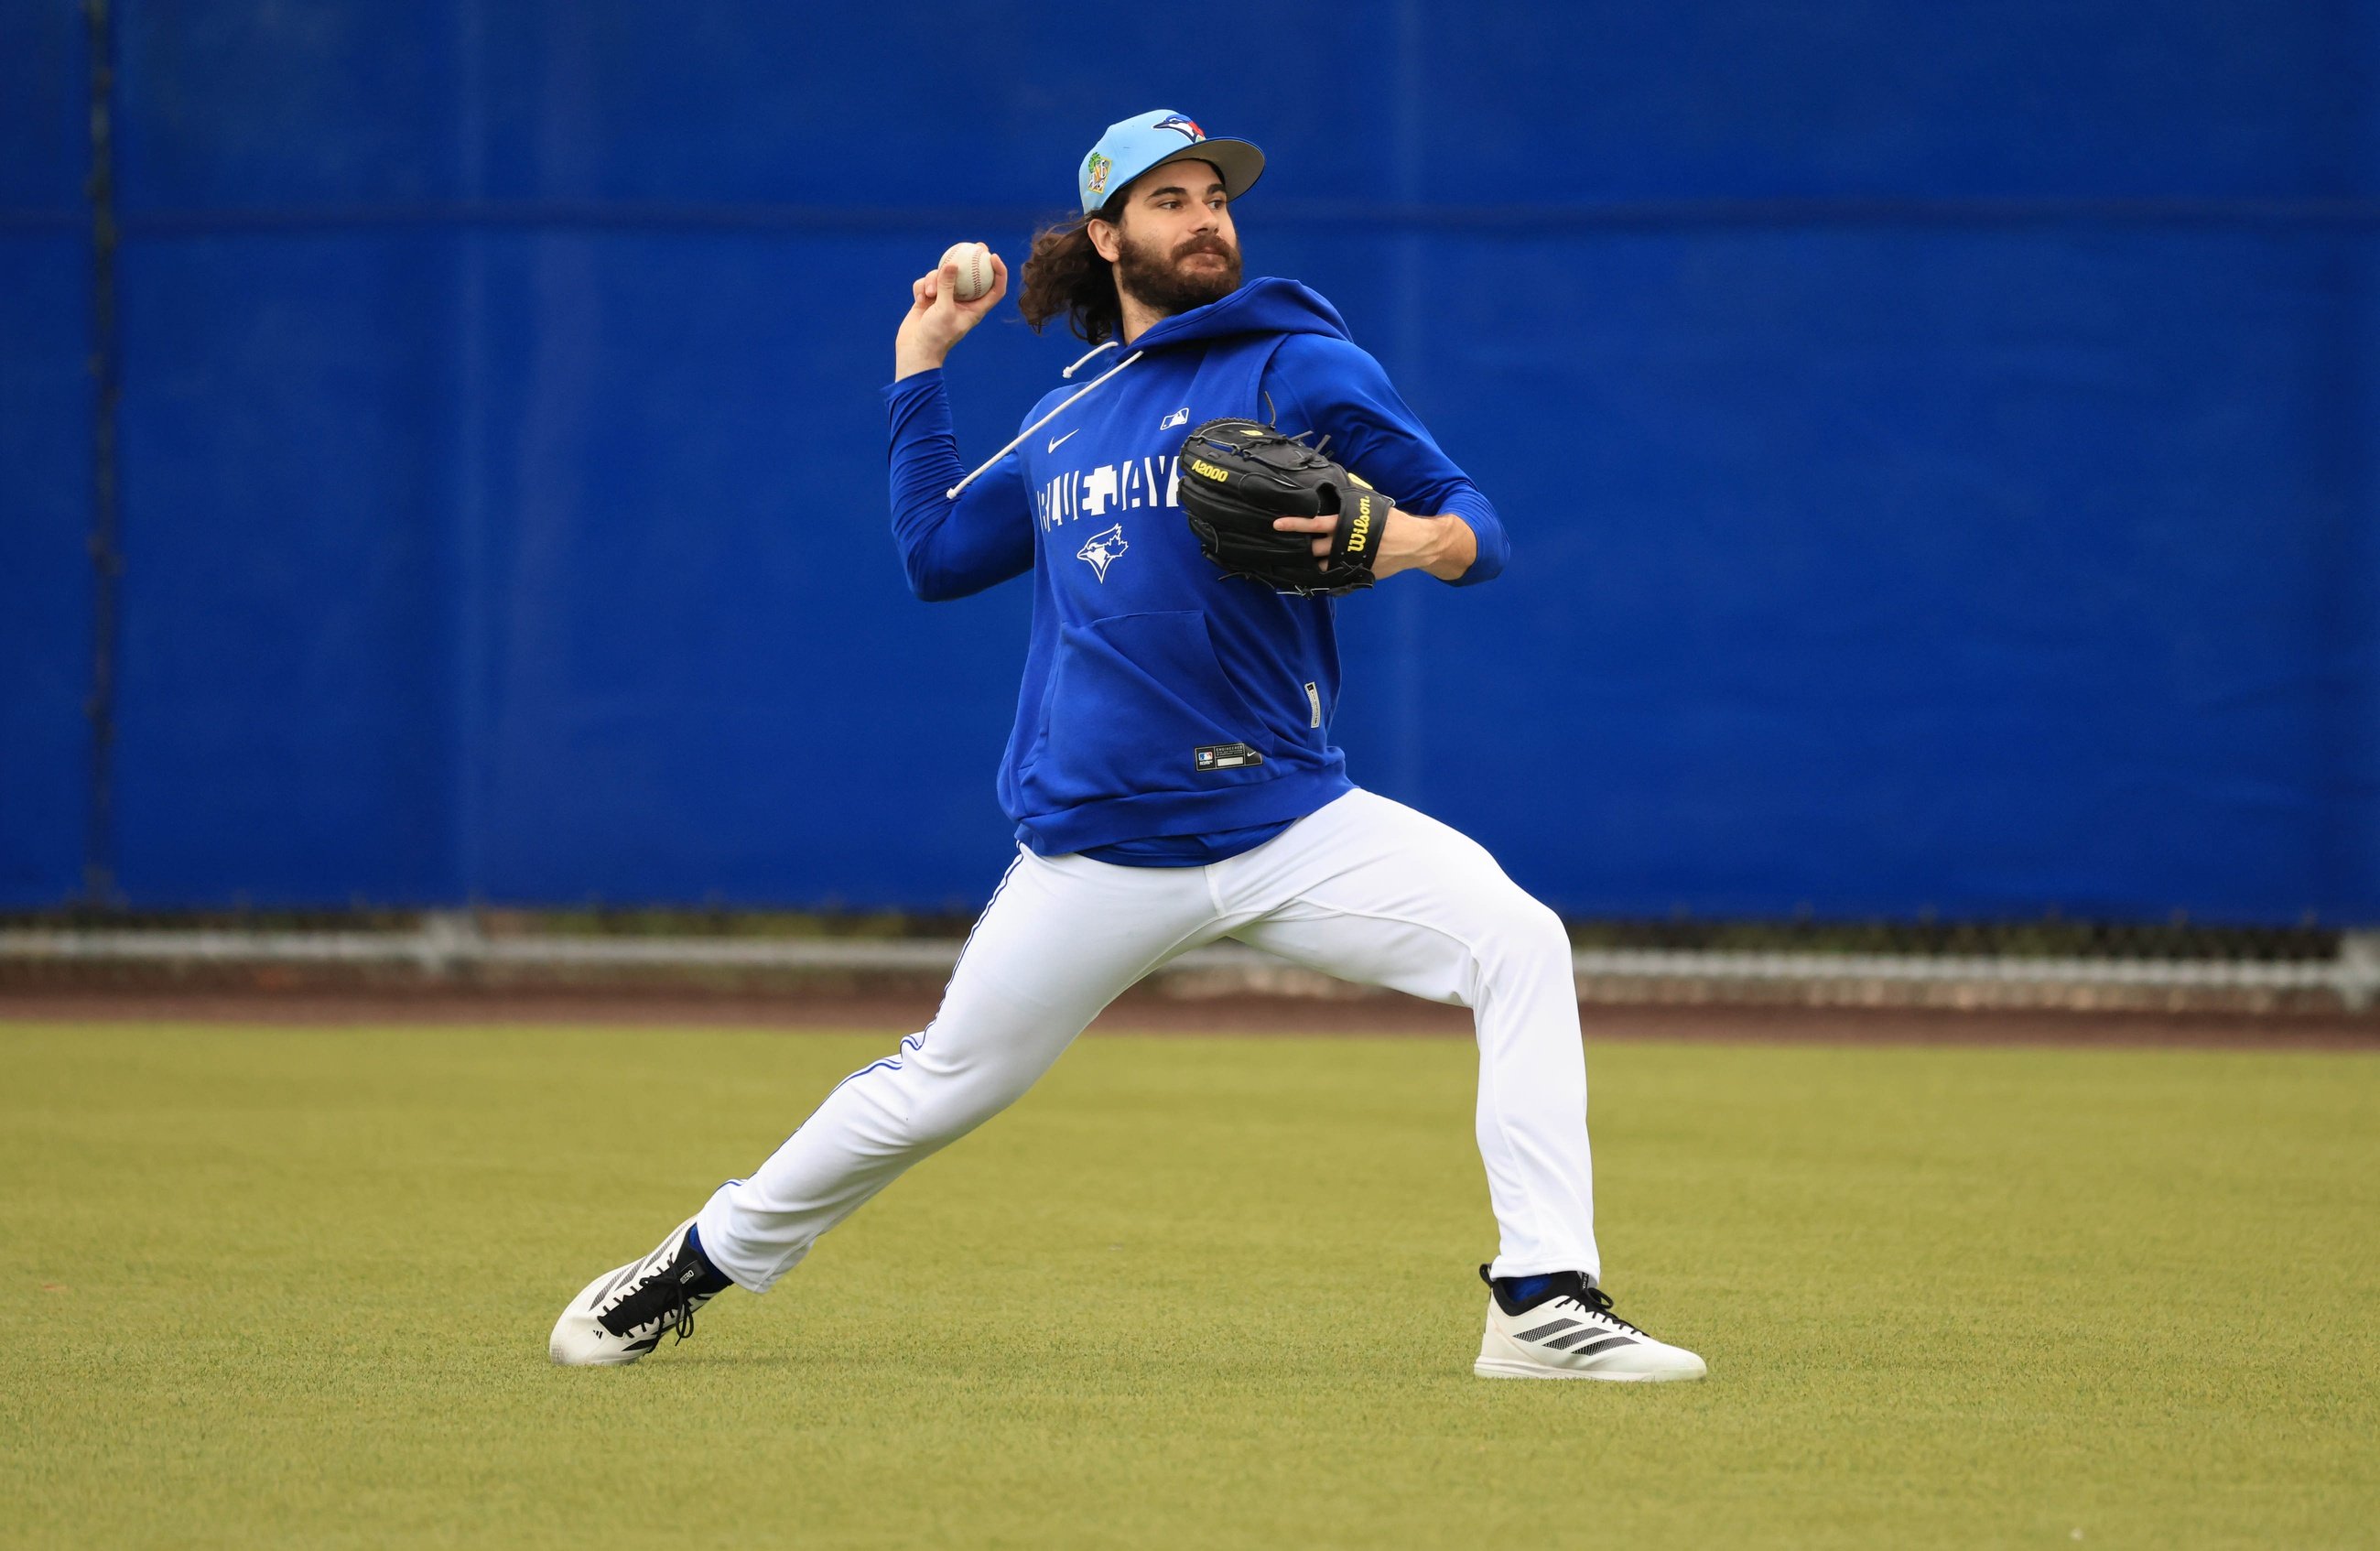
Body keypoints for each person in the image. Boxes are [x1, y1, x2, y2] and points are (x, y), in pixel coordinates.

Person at [549, 110, 1706, 1383]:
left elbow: (1475, 521)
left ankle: (1540, 1299)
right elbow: (935, 554)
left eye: (1216, 196)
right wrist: (919, 359)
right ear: (1108, 238)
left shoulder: (1296, 363)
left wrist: (1417, 543)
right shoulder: (1067, 415)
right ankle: (688, 1263)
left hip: (1288, 825)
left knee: (1518, 938)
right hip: (1098, 849)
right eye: (1169, 201)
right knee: (936, 1086)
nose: (1206, 216)